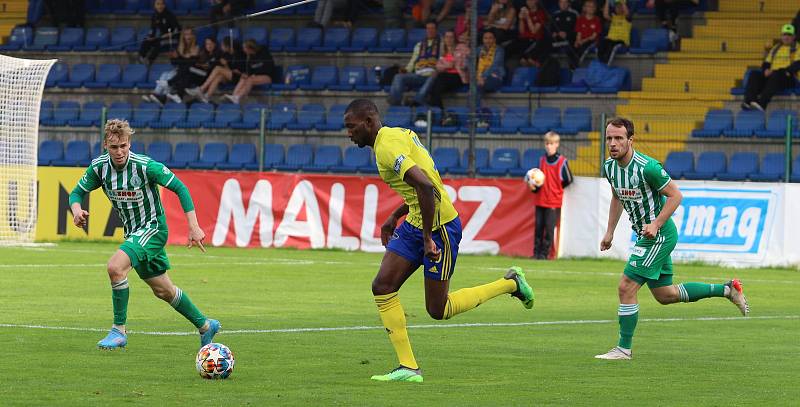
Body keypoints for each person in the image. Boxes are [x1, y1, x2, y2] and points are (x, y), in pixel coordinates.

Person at [343, 99, 535, 382]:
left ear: (369, 122)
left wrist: (428, 238)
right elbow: (421, 186)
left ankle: (510, 283)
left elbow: (425, 186)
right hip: (417, 222)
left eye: (351, 126)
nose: (348, 133)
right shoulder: (398, 135)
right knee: (382, 286)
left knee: (438, 309)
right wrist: (394, 216)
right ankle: (408, 368)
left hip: (440, 227)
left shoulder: (386, 147)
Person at [594, 118, 749, 360]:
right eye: (609, 138)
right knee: (666, 295)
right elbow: (617, 198)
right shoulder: (610, 167)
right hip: (647, 235)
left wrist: (656, 224)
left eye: (618, 138)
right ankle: (727, 290)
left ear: (630, 140)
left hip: (659, 235)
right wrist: (610, 231)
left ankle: (623, 349)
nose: (612, 143)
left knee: (626, 287)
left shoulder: (648, 168)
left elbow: (676, 195)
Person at [68, 119, 220, 350]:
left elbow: (180, 187)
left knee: (115, 268)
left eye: (123, 146)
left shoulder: (146, 166)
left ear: (130, 144)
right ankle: (206, 326)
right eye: (113, 147)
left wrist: (194, 226)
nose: (119, 152)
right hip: (133, 233)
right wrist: (77, 211)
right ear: (105, 146)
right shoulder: (99, 168)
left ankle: (119, 331)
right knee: (163, 290)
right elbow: (77, 192)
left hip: (153, 229)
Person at [530, 132, 573, 260]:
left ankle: (544, 254)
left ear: (557, 145)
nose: (549, 146)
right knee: (538, 228)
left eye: (552, 144)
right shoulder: (541, 160)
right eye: (547, 143)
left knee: (549, 229)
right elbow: (537, 180)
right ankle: (536, 253)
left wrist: (557, 189)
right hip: (540, 200)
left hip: (554, 201)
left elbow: (569, 179)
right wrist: (534, 188)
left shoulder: (562, 161)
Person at [742, 24, 799, 112]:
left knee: (776, 75)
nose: (786, 37)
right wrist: (766, 70)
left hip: (789, 77)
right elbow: (766, 62)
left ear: (794, 36)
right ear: (781, 36)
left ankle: (762, 104)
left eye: (789, 35)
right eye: (784, 34)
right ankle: (749, 101)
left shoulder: (797, 48)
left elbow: (796, 65)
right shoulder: (776, 48)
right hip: (773, 76)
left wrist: (777, 71)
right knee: (754, 74)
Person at [388, 21, 441, 107]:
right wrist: (406, 70)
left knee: (433, 77)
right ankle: (395, 103)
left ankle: (417, 100)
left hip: (433, 75)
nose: (430, 30)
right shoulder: (419, 45)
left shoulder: (442, 44)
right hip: (418, 75)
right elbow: (413, 61)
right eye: (428, 28)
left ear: (436, 30)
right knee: (398, 77)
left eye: (432, 28)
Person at [143, 28, 200, 105]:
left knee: (170, 75)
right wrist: (173, 57)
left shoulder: (196, 48)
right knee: (164, 74)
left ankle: (163, 97)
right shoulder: (181, 47)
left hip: (190, 73)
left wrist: (179, 58)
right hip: (180, 70)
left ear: (193, 36)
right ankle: (155, 94)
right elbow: (176, 63)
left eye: (189, 34)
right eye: (186, 34)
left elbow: (190, 64)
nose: (188, 36)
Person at [185, 37, 244, 103]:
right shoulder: (225, 54)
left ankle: (201, 89)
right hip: (229, 76)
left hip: (239, 77)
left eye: (222, 45)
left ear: (228, 46)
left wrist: (226, 64)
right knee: (218, 77)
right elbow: (227, 69)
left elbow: (240, 71)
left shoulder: (238, 54)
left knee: (218, 68)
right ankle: (206, 96)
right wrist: (225, 65)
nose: (221, 47)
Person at [426, 30, 468, 121]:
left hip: (458, 76)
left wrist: (449, 65)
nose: (449, 39)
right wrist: (449, 65)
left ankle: (440, 113)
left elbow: (465, 64)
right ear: (444, 39)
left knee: (436, 84)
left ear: (454, 38)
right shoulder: (442, 50)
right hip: (444, 77)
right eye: (447, 37)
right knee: (435, 88)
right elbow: (438, 66)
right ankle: (442, 114)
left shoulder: (461, 47)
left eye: (451, 37)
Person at [223, 39, 275, 104]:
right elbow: (249, 71)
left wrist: (255, 74)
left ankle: (238, 97)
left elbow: (269, 67)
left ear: (250, 48)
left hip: (267, 77)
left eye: (244, 48)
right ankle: (234, 96)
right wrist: (246, 74)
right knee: (243, 78)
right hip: (255, 77)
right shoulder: (249, 57)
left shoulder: (264, 53)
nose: (243, 50)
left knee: (250, 80)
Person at [505, 0, 550, 66]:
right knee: (507, 49)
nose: (529, 2)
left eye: (532, 0)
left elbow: (534, 31)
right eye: (528, 0)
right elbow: (522, 31)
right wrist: (521, 19)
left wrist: (528, 17)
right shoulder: (525, 12)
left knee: (524, 58)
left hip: (534, 39)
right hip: (522, 39)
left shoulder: (540, 13)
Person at [138, 0, 181, 66]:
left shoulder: (170, 15)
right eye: (158, 4)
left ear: (164, 5)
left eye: (161, 4)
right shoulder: (154, 16)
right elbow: (152, 29)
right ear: (155, 6)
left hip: (173, 38)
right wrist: (150, 36)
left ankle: (150, 60)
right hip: (162, 37)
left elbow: (177, 29)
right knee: (146, 40)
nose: (160, 6)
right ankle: (141, 57)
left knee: (160, 43)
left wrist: (170, 34)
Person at [598, 0, 631, 65]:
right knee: (602, 43)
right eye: (617, 7)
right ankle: (600, 63)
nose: (618, 9)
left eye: (620, 7)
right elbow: (605, 15)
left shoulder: (627, 18)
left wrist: (622, 2)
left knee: (611, 46)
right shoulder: (613, 17)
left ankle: (606, 64)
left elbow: (627, 13)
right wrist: (607, 1)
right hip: (611, 39)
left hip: (621, 41)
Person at [572, 0, 602, 68]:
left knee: (582, 49)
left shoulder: (597, 20)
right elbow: (578, 33)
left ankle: (575, 67)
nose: (591, 8)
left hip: (591, 41)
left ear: (595, 8)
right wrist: (577, 41)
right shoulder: (580, 19)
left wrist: (583, 41)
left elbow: (593, 36)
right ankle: (572, 68)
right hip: (582, 41)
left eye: (593, 7)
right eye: (589, 6)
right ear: (585, 8)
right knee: (572, 48)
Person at [476, 30, 506, 96]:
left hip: (495, 77)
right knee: (476, 86)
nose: (488, 40)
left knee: (477, 87)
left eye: (490, 38)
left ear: (494, 39)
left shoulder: (499, 50)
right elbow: (470, 59)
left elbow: (495, 65)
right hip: (480, 78)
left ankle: (476, 105)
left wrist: (483, 77)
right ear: (483, 40)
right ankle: (481, 105)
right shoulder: (479, 49)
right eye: (485, 38)